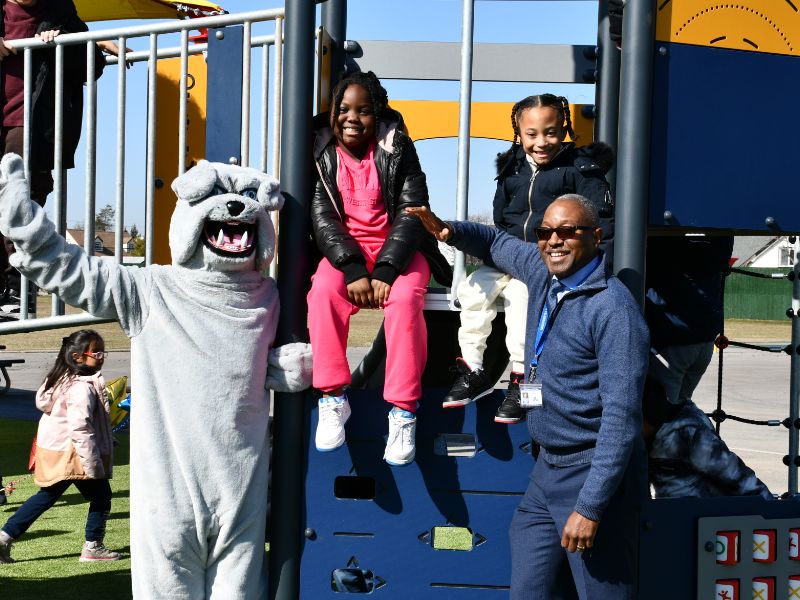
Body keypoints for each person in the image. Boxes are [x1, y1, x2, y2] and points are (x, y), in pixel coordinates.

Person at [409, 196, 648, 599]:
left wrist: (590, 507)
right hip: (547, 470)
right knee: (529, 587)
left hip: (592, 474)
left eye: (567, 231)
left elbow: (621, 419)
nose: (554, 240)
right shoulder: (543, 272)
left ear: (595, 236)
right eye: (545, 232)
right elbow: (495, 242)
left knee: (601, 592)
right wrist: (450, 231)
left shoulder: (613, 310)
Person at [308, 70, 452, 466]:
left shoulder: (397, 147)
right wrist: (353, 268)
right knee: (322, 293)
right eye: (343, 109)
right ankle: (332, 398)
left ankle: (403, 410)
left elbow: (412, 211)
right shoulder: (320, 149)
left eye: (364, 111)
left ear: (379, 115)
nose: (352, 118)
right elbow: (322, 217)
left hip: (398, 253)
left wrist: (387, 270)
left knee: (405, 302)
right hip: (346, 253)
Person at [443, 93, 614, 425]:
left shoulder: (579, 169)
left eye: (551, 132)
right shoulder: (513, 167)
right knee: (472, 289)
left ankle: (522, 378)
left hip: (543, 261)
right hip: (508, 254)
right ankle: (473, 367)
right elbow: (501, 216)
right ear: (519, 134)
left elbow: (601, 221)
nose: (541, 142)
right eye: (531, 134)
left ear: (563, 129)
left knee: (522, 298)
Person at [0, 0, 122, 316]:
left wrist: (65, 42)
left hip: (33, 125)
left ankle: (17, 291)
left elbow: (90, 67)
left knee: (20, 205)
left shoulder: (58, 12)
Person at [0, 329, 119, 564]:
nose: (101, 356)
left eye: (102, 351)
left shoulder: (62, 380)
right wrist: (93, 463)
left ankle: (4, 538)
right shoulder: (81, 388)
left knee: (48, 495)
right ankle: (93, 546)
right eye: (96, 352)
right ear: (77, 357)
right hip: (74, 453)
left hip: (60, 450)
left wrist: (105, 439)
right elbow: (80, 427)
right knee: (101, 496)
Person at [642, 376, 772, 500]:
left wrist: (773, 511)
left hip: (699, 512)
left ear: (648, 419)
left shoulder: (691, 435)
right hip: (669, 510)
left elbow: (740, 479)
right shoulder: (653, 435)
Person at [646, 235, 734, 406]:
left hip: (671, 340)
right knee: (681, 409)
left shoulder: (665, 243)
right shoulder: (720, 241)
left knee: (660, 413)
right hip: (704, 340)